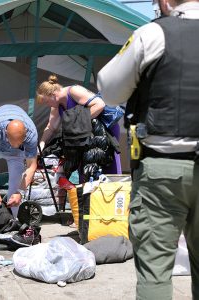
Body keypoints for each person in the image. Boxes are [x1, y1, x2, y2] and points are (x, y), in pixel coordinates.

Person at [97, 0, 199, 298]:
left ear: (166, 2)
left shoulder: (152, 34)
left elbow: (111, 91)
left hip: (162, 170)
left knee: (155, 270)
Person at [36, 75, 123, 180]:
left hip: (105, 131)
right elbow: (51, 127)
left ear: (53, 94)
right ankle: (87, 194)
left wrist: (76, 124)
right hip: (85, 137)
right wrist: (42, 144)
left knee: (108, 166)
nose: (47, 105)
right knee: (85, 168)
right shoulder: (56, 105)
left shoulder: (74, 91)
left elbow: (99, 105)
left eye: (46, 101)